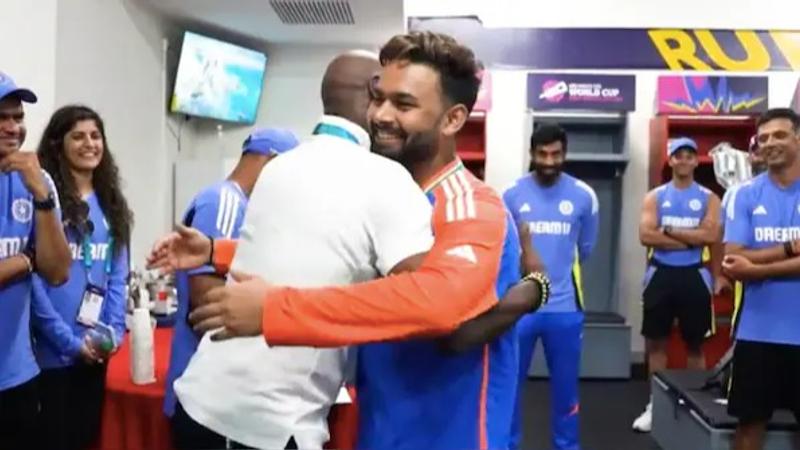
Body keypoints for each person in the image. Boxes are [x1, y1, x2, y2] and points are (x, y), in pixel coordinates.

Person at [152, 32, 548, 450]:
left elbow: (443, 307)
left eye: (404, 104)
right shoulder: (385, 188)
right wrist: (219, 253)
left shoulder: (471, 204)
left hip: (449, 433)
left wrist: (274, 309)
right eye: (379, 98)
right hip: (379, 423)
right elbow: (333, 257)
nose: (380, 115)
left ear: (452, 119)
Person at [165, 50, 439, 450]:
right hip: (271, 426)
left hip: (200, 401)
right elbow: (424, 298)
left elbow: (309, 252)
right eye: (395, 98)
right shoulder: (386, 179)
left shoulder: (278, 166)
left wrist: (213, 251)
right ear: (373, 94)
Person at [163, 127, 298, 423]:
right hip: (206, 389)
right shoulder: (224, 202)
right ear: (272, 161)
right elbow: (207, 306)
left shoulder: (246, 206)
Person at [30, 105, 134, 450]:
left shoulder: (112, 203)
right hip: (50, 357)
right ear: (59, 144)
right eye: (78, 136)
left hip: (95, 353)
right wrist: (69, 343)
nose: (89, 144)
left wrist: (112, 333)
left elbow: (117, 276)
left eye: (95, 135)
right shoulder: (45, 202)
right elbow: (34, 283)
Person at [503, 123, 599, 450]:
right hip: (520, 310)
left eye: (555, 154)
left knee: (566, 390)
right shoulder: (511, 194)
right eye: (542, 153)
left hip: (565, 309)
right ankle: (507, 444)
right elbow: (505, 252)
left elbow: (585, 249)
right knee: (509, 387)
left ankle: (566, 446)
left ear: (564, 154)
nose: (548, 160)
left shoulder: (584, 196)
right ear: (532, 154)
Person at [0, 72, 72, 448]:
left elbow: (58, 271)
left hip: (18, 378)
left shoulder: (36, 180)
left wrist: (42, 195)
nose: (13, 127)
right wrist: (27, 261)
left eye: (18, 117)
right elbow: (39, 263)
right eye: (1, 118)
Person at [722, 108, 800, 450]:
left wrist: (756, 270)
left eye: (779, 135)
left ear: (798, 138)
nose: (770, 144)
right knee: (750, 425)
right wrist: (788, 249)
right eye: (764, 138)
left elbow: (745, 263)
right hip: (757, 331)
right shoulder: (744, 194)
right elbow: (731, 258)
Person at [633, 137, 721, 432]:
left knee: (695, 344)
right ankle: (655, 405)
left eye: (689, 156)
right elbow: (646, 236)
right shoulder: (655, 197)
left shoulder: (709, 198)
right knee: (656, 342)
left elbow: (709, 237)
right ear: (669, 160)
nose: (683, 161)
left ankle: (696, 406)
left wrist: (667, 229)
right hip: (660, 275)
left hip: (694, 275)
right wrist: (689, 236)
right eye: (678, 156)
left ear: (697, 161)